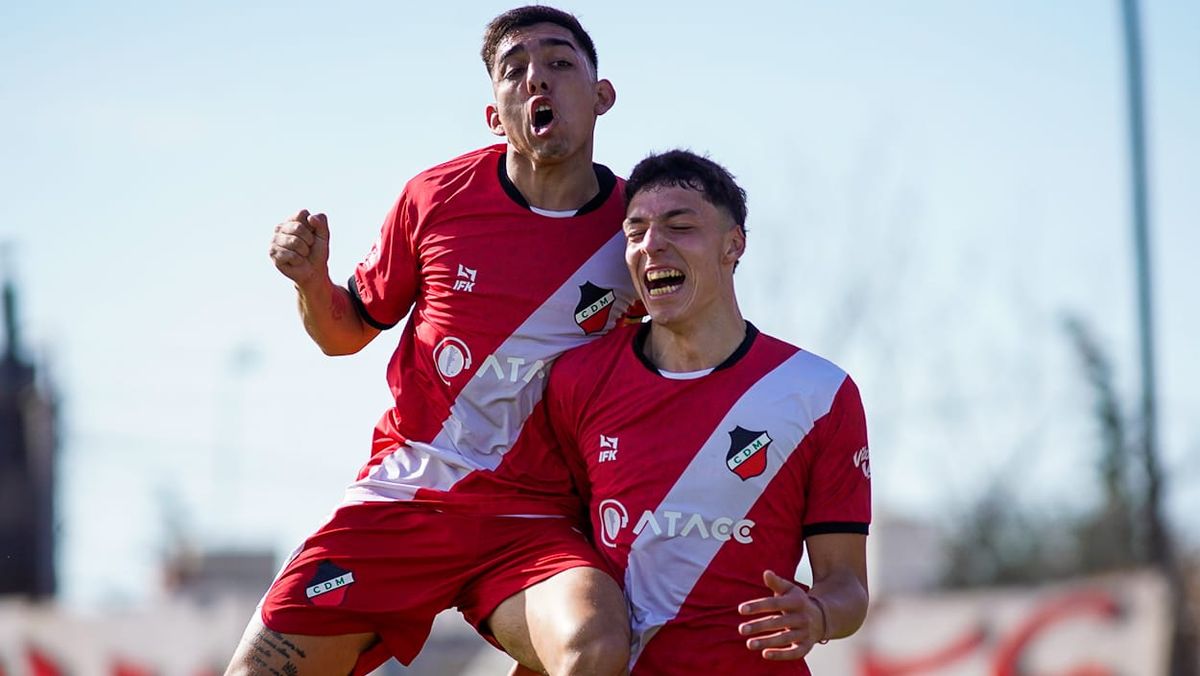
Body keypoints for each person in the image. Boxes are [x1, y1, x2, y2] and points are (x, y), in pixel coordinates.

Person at [227, 7, 639, 675]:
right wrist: (310, 281)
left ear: (602, 95)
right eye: (515, 70)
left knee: (596, 644)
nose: (538, 79)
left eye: (560, 63)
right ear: (494, 114)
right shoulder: (434, 197)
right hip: (404, 503)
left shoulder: (638, 232)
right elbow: (343, 333)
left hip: (536, 526)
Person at [537, 150, 871, 674]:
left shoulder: (819, 393)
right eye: (636, 231)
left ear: (733, 245)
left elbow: (848, 586)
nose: (653, 245)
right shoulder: (576, 381)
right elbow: (550, 557)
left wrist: (819, 614)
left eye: (680, 225)